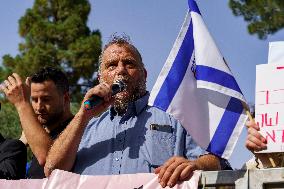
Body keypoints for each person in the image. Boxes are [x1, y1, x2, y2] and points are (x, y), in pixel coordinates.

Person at [44, 35, 223, 188]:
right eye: (112, 65)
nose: (121, 70)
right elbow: (52, 170)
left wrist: (196, 164)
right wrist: (83, 115)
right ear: (101, 78)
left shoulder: (174, 118)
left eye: (129, 63)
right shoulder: (84, 127)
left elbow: (216, 163)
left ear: (144, 75)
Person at [0, 67, 74, 178]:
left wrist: (22, 103)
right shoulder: (40, 138)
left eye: (46, 99)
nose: (39, 107)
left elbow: (50, 160)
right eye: (34, 100)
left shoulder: (78, 129)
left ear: (66, 98)